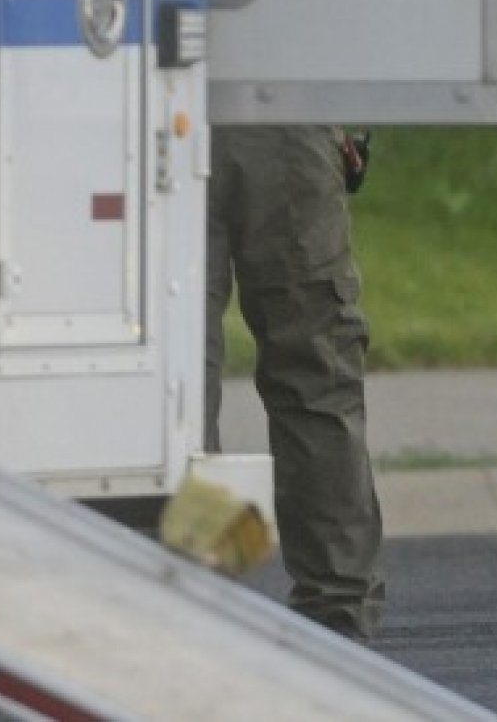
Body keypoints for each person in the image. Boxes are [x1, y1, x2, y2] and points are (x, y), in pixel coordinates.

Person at [205, 123, 385, 641]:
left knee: (175, 383)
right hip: (280, 110)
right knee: (315, 373)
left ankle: (184, 590)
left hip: (138, 99)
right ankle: (336, 615)